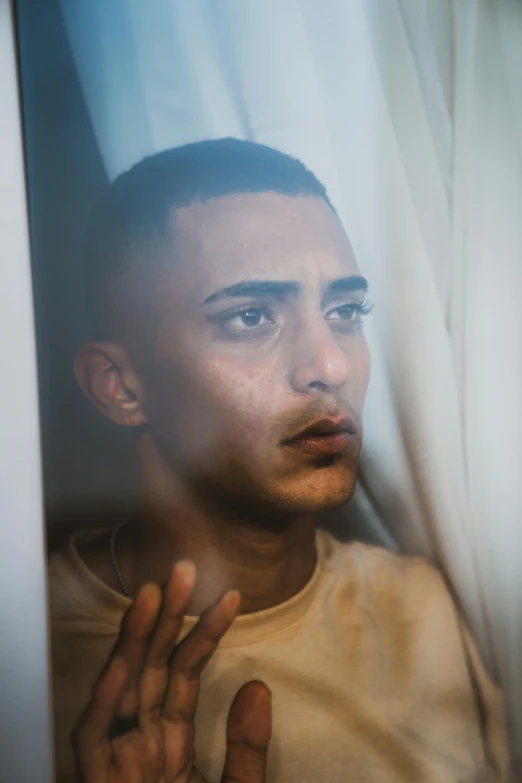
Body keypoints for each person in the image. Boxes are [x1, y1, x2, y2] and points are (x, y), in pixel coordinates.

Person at [49, 138, 509, 783]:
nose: (331, 365)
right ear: (120, 386)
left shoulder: (422, 609)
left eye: (345, 311)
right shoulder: (32, 653)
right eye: (251, 316)